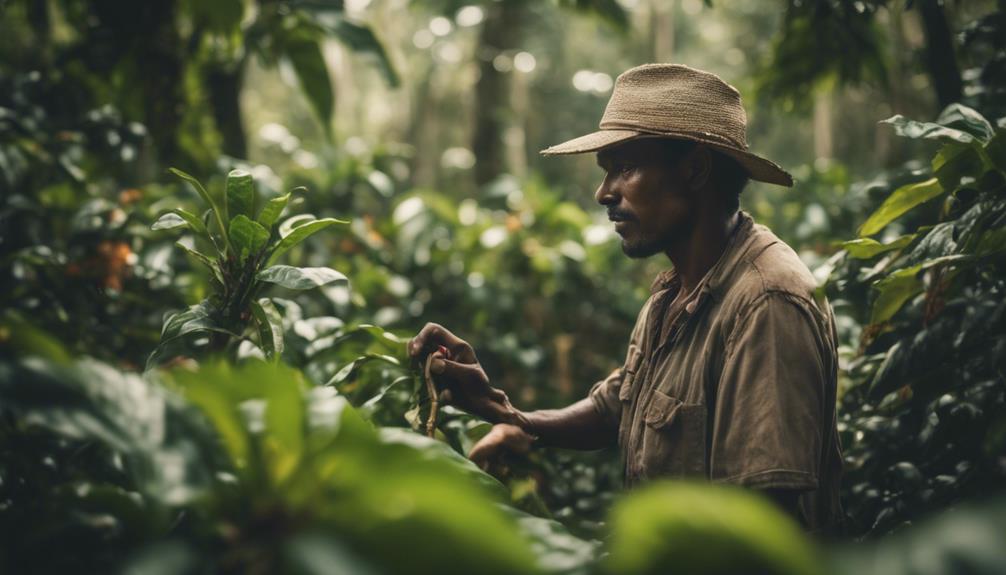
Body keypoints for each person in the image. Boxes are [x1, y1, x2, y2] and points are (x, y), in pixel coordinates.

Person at [408, 63, 843, 534]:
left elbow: (760, 532)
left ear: (695, 168)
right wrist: (507, 414)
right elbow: (616, 407)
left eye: (625, 168)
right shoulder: (676, 291)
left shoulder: (766, 304)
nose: (603, 193)